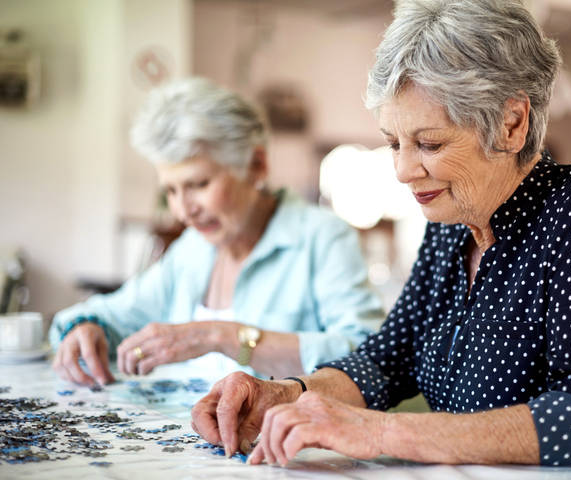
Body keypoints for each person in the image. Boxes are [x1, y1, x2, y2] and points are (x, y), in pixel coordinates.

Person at [190, 1, 571, 478]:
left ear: (511, 124)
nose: (403, 170)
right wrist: (287, 393)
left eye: (429, 143)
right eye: (393, 143)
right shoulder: (449, 225)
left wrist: (381, 433)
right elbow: (386, 359)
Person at [49, 78, 385, 387]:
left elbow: (370, 356)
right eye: (171, 190)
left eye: (198, 184)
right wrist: (85, 327)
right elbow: (105, 314)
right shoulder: (193, 249)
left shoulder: (323, 237)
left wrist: (221, 337)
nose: (183, 210)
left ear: (256, 164)